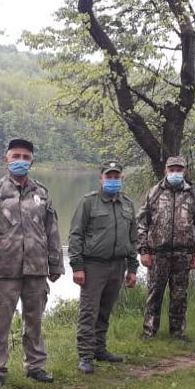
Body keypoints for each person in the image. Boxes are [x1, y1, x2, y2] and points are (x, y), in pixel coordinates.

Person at [0, 138, 64, 388]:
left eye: (26, 157)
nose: (21, 161)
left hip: (36, 270)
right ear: (7, 159)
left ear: (32, 160)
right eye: (16, 157)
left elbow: (52, 231)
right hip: (4, 272)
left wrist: (55, 264)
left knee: (34, 322)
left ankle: (35, 366)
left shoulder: (42, 193)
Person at [68, 160, 139, 374]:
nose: (113, 180)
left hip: (117, 266)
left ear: (122, 178)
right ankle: (86, 356)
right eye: (109, 176)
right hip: (93, 266)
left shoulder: (127, 204)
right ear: (101, 179)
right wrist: (77, 266)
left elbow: (133, 239)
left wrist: (133, 268)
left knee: (105, 310)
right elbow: (76, 235)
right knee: (89, 311)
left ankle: (100, 349)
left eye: (117, 177)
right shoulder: (89, 202)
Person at [137, 156, 195, 341]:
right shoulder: (153, 192)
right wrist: (143, 250)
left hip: (183, 254)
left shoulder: (192, 194)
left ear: (185, 171)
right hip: (157, 253)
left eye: (179, 169)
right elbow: (141, 223)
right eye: (172, 169)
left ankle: (177, 332)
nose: (175, 173)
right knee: (154, 293)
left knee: (179, 295)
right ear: (165, 171)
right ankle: (149, 332)